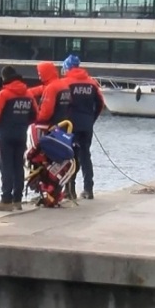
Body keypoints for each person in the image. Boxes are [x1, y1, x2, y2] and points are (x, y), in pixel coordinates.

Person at [0, 65, 38, 211]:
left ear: (4, 78)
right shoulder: (28, 94)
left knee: (6, 167)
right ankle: (18, 199)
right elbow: (36, 114)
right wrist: (23, 124)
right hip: (21, 135)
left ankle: (6, 199)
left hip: (5, 135)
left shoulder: (4, 94)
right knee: (18, 166)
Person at [61, 54, 104, 200]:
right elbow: (100, 104)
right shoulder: (91, 83)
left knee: (68, 156)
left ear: (66, 68)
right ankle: (88, 189)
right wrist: (91, 119)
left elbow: (61, 104)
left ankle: (69, 189)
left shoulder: (66, 82)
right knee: (85, 155)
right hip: (86, 125)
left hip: (70, 125)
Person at [28, 61, 71, 126]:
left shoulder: (51, 88)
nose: (39, 78)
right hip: (64, 125)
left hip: (52, 127)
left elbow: (46, 113)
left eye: (40, 74)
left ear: (46, 73)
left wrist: (35, 119)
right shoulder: (63, 85)